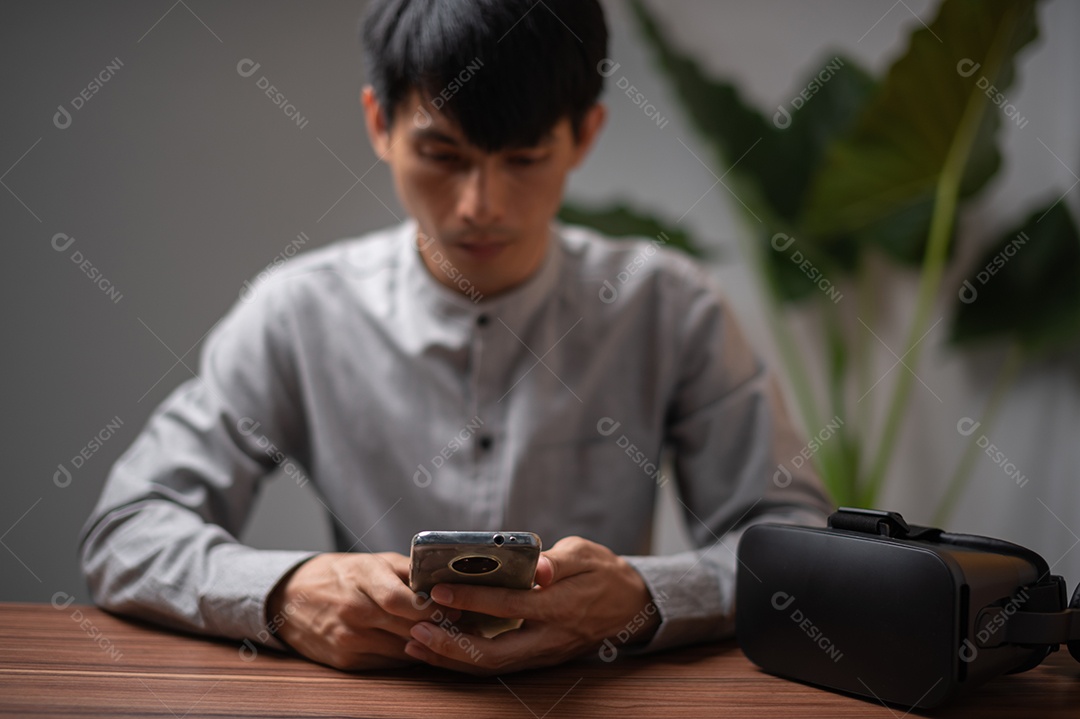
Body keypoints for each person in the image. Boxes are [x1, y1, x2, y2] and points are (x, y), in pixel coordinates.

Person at [79, 0, 833, 675]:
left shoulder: (673, 305)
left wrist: (642, 595)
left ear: (585, 135)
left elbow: (794, 543)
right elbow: (126, 530)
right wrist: (282, 593)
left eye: (525, 159)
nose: (481, 205)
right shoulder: (297, 311)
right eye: (444, 156)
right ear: (380, 124)